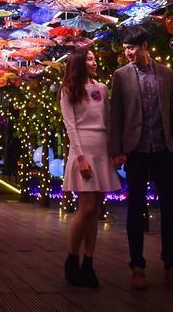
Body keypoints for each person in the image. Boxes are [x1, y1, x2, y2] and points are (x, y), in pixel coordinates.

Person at [109, 26, 173, 290]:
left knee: (170, 209)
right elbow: (116, 114)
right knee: (135, 208)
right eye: (125, 49)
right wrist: (117, 150)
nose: (127, 53)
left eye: (131, 48)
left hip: (163, 149)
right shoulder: (120, 76)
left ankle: (171, 265)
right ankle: (137, 266)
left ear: (144, 45)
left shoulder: (166, 73)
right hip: (136, 150)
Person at [59, 48, 121, 288]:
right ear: (78, 63)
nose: (95, 62)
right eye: (89, 58)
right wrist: (80, 157)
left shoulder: (102, 88)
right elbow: (70, 126)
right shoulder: (68, 90)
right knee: (86, 208)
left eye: (95, 58)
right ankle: (72, 258)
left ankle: (89, 262)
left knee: (95, 209)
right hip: (82, 149)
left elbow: (108, 120)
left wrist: (114, 151)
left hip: (101, 149)